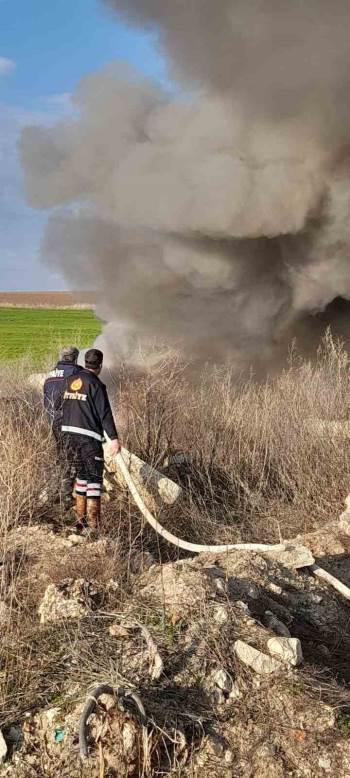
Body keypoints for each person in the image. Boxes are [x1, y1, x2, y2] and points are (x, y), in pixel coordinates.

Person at [61, 348, 121, 530]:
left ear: (85, 362)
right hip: (88, 437)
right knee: (94, 478)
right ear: (100, 365)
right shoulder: (96, 384)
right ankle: (94, 526)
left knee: (82, 476)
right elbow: (105, 413)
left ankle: (80, 521)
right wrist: (113, 438)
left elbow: (60, 405)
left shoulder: (70, 380)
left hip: (69, 436)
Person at [43, 346, 82, 504]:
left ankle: (52, 492)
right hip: (67, 420)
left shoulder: (51, 374)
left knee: (60, 455)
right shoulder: (75, 373)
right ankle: (66, 495)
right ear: (74, 358)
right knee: (71, 455)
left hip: (52, 420)